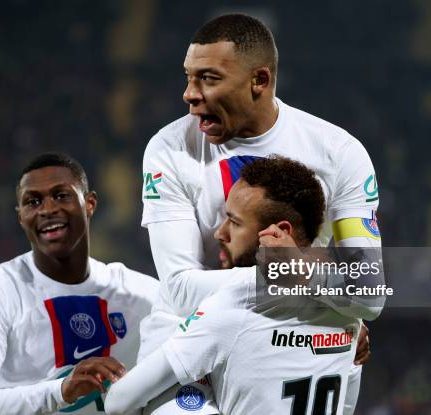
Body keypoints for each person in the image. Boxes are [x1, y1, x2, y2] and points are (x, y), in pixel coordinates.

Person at [138, 13, 382, 414]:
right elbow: (180, 288)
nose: (189, 94)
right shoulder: (169, 150)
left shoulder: (340, 153)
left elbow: (368, 290)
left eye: (209, 78)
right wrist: (301, 283)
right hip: (190, 346)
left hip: (288, 345)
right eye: (188, 77)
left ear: (260, 81)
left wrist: (313, 286)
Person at [107, 156, 363, 415]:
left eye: (235, 222)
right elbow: (347, 405)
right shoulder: (349, 315)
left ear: (278, 232)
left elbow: (119, 401)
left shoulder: (232, 304)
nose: (220, 232)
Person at [0, 152, 158, 414]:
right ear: (21, 216)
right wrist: (59, 392)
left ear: (89, 203)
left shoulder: (142, 295)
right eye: (33, 201)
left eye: (61, 195)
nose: (47, 209)